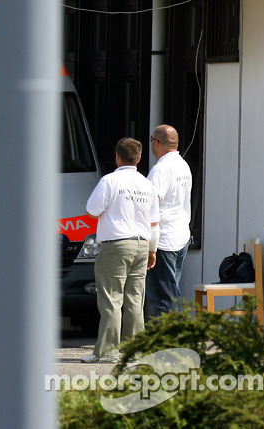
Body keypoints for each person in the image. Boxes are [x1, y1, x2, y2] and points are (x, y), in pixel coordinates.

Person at [82, 137, 159, 363]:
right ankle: (135, 351)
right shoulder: (147, 184)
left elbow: (92, 210)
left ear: (117, 157)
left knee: (111, 299)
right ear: (140, 158)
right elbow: (154, 222)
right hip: (142, 245)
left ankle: (107, 352)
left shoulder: (110, 181)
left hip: (116, 245)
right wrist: (152, 250)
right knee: (135, 299)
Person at [145, 124, 193, 318]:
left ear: (156, 143)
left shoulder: (160, 170)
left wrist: (150, 244)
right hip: (181, 236)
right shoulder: (183, 165)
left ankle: (171, 341)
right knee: (172, 293)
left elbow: (150, 206)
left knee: (163, 298)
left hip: (163, 240)